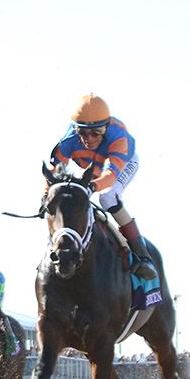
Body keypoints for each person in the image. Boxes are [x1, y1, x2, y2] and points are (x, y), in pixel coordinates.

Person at [49, 93, 157, 281]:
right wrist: (47, 196)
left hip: (121, 164)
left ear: (106, 128)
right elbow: (52, 173)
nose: (89, 138)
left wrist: (91, 186)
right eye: (83, 132)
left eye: (96, 132)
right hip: (93, 167)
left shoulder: (118, 136)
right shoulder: (68, 141)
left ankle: (143, 256)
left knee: (107, 197)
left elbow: (109, 176)